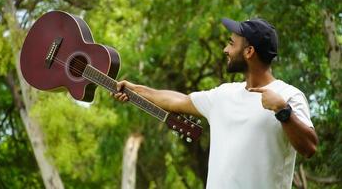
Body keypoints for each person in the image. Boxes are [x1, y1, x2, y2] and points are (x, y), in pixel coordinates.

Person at [112, 18, 318, 189]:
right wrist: (134, 90)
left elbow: (309, 147)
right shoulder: (223, 95)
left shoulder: (289, 96)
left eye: (231, 43)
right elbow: (178, 100)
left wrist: (283, 111)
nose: (225, 49)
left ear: (249, 52)